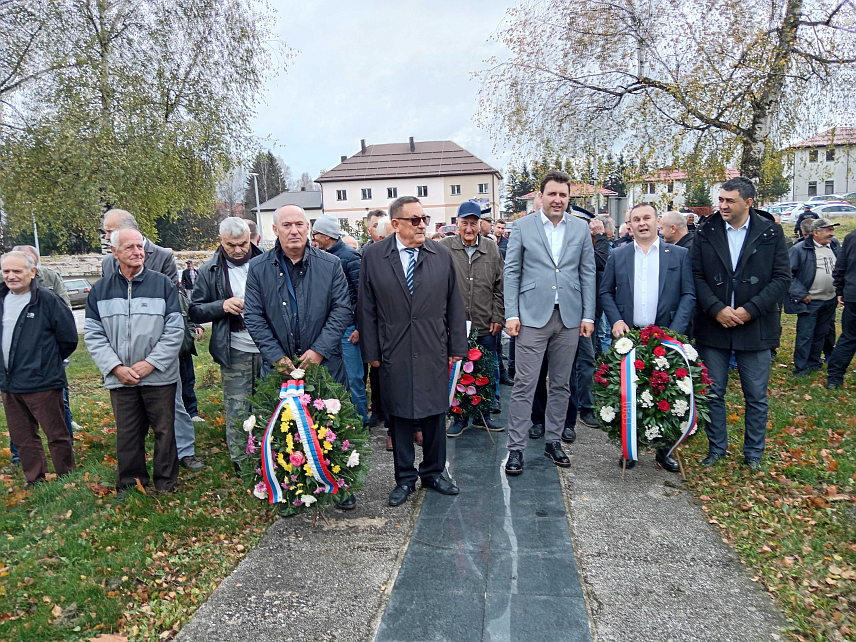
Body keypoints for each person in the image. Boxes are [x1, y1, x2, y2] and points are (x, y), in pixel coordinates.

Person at [243, 205, 356, 511]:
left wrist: (319, 350)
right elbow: (253, 315)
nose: (294, 230)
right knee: (283, 429)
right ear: (274, 231)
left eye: (300, 225)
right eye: (287, 225)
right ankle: (288, 490)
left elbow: (342, 309)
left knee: (334, 424)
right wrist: (276, 356)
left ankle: (341, 484)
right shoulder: (258, 267)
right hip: (280, 365)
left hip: (325, 363)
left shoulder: (331, 264)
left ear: (309, 228)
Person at [359, 196, 468, 506]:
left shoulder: (440, 255)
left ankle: (434, 472)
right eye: (415, 220)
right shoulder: (374, 256)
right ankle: (405, 478)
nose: (423, 225)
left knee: (435, 412)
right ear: (395, 225)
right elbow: (366, 307)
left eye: (425, 219)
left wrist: (458, 344)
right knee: (400, 413)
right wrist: (371, 351)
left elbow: (455, 304)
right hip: (393, 347)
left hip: (433, 345)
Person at [691, 177, 790, 470]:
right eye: (720, 199)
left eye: (729, 200)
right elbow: (696, 275)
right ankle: (717, 448)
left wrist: (751, 309)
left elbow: (782, 278)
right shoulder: (706, 230)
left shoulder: (771, 232)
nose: (722, 205)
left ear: (748, 203)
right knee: (713, 392)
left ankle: (753, 454)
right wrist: (716, 308)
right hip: (714, 325)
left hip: (756, 326)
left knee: (756, 395)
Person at [503, 170, 596, 477]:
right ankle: (515, 449)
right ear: (540, 196)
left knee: (561, 384)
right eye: (552, 194)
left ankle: (553, 440)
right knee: (524, 386)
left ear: (569, 198)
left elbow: (587, 273)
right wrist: (512, 314)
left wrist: (588, 315)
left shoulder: (581, 229)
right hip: (531, 318)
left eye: (563, 195)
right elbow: (512, 272)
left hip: (569, 318)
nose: (558, 200)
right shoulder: (522, 226)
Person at [85, 229, 184, 495]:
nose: (138, 252)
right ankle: (130, 484)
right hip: (121, 377)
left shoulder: (163, 284)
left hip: (159, 376)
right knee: (127, 434)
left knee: (165, 431)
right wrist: (116, 368)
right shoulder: (100, 290)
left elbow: (175, 330)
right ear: (114, 252)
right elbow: (94, 335)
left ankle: (166, 483)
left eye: (140, 247)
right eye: (129, 247)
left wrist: (151, 363)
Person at [103, 210, 202, 470]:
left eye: (108, 231)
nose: (105, 236)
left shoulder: (163, 256)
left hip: (158, 346)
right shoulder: (107, 263)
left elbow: (170, 301)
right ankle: (136, 463)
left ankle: (185, 450)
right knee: (130, 410)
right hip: (122, 348)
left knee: (174, 400)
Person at [601, 203, 696, 472]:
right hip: (630, 335)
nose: (642, 223)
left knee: (665, 391)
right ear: (629, 225)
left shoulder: (678, 255)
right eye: (636, 219)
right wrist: (616, 320)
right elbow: (605, 292)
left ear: (657, 222)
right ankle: (630, 450)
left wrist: (674, 331)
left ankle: (663, 450)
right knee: (629, 393)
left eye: (647, 218)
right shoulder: (618, 256)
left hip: (666, 335)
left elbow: (689, 294)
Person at [189, 217, 264, 474]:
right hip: (235, 347)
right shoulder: (208, 270)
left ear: (252, 238)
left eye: (243, 243)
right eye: (231, 245)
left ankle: (271, 455)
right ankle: (242, 461)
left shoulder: (267, 261)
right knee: (238, 406)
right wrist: (221, 306)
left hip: (269, 346)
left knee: (271, 402)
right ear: (220, 241)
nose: (238, 249)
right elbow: (195, 310)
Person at [0, 251, 77, 488]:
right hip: (9, 384)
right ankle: (35, 478)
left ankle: (67, 475)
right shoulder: (1, 298)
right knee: (23, 437)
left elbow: (69, 338)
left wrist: (46, 362)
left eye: (17, 271)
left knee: (57, 434)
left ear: (32, 272)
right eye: (6, 271)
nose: (11, 276)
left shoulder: (48, 300)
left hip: (43, 381)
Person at [440, 202, 505, 435]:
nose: (469, 228)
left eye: (473, 223)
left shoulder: (491, 248)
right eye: (465, 223)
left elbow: (500, 286)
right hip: (455, 325)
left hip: (484, 323)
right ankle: (458, 419)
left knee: (485, 370)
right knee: (457, 372)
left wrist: (498, 315)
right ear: (457, 224)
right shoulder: (445, 247)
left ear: (480, 224)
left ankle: (483, 416)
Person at [311, 214, 369, 425]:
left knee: (353, 377)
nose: (313, 237)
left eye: (315, 233)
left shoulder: (350, 257)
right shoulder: (320, 255)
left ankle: (361, 422)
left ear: (327, 235)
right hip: (328, 327)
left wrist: (360, 327)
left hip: (348, 328)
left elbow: (363, 296)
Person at [785, 217, 839, 376]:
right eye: (828, 230)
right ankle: (801, 368)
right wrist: (801, 294)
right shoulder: (800, 249)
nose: (832, 234)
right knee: (805, 335)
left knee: (821, 333)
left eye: (832, 230)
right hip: (810, 301)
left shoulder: (834, 246)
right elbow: (787, 274)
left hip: (830, 299)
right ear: (816, 232)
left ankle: (814, 363)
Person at [101, 209, 178, 284]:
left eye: (111, 232)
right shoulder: (107, 263)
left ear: (129, 229)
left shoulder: (163, 257)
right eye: (106, 232)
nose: (107, 237)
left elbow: (171, 294)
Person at [827, 224, 856, 388]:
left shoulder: (851, 237)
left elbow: (840, 266)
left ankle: (835, 377)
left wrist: (841, 288)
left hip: (852, 293)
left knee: (849, 337)